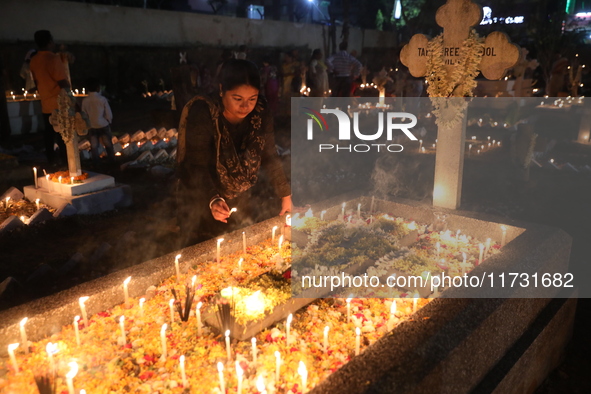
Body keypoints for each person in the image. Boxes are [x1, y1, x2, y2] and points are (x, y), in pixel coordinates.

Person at [176, 59, 291, 246]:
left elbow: (269, 153)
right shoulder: (204, 111)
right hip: (203, 193)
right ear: (222, 90)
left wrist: (285, 195)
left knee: (239, 245)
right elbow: (195, 164)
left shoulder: (260, 111)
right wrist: (213, 199)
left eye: (252, 99)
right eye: (237, 99)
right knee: (207, 249)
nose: (246, 106)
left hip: (240, 193)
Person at [29, 30, 69, 166]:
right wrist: (71, 98)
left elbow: (35, 82)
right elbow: (62, 82)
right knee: (64, 134)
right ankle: (66, 160)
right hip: (59, 103)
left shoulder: (34, 60)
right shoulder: (53, 58)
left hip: (45, 103)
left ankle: (51, 159)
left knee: (49, 134)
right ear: (50, 42)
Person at [81, 77, 115, 166]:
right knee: (107, 143)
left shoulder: (85, 100)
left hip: (92, 125)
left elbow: (84, 113)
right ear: (98, 88)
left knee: (94, 145)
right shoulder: (102, 99)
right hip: (103, 124)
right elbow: (108, 112)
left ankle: (96, 162)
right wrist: (109, 120)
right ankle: (111, 160)